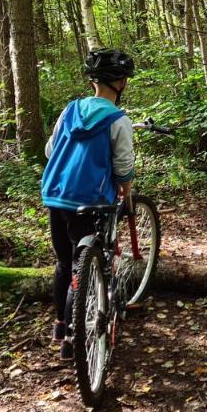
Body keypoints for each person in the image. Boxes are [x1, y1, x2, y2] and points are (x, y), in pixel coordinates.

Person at [41, 48, 136, 359]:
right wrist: (127, 193)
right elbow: (123, 168)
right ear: (121, 83)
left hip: (56, 194)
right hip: (91, 201)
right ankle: (72, 339)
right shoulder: (118, 120)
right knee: (85, 267)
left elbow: (50, 149)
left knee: (64, 262)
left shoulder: (70, 110)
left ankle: (59, 325)